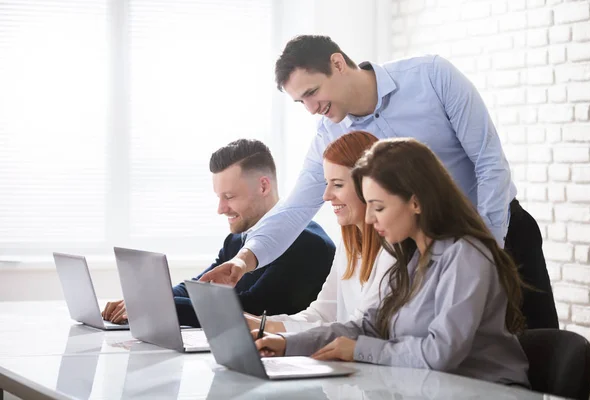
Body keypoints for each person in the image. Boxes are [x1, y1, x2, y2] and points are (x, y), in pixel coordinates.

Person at [201, 34, 558, 330]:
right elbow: (296, 208)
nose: (310, 108)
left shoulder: (432, 77)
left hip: (500, 232)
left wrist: (482, 251)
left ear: (337, 64)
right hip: (425, 253)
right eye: (300, 101)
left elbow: (490, 163)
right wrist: (245, 260)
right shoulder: (330, 132)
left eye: (312, 92)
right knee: (469, 364)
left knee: (538, 359)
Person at [254, 138, 530, 387]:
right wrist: (286, 344)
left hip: (488, 391)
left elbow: (440, 354)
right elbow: (364, 327)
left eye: (379, 206)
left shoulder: (466, 255)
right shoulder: (405, 255)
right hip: (430, 388)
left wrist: (360, 350)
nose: (371, 219)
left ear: (416, 203)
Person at [102, 139, 335, 326]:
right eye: (219, 197)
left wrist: (157, 305)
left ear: (264, 186)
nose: (221, 209)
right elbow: (198, 288)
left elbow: (250, 309)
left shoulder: (308, 243)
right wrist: (144, 299)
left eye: (230, 197)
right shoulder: (237, 239)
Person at [246, 131, 395, 333]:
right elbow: (323, 314)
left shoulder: (394, 251)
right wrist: (262, 325)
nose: (326, 196)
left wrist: (269, 329)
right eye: (327, 184)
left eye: (338, 185)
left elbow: (362, 330)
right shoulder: (349, 245)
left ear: (369, 186)